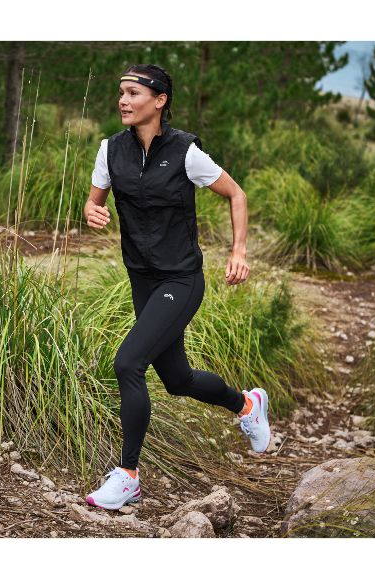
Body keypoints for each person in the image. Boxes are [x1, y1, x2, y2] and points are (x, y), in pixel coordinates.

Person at [83, 64, 271, 511]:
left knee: (128, 362)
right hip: (142, 277)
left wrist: (239, 251)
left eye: (133, 93)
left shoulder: (186, 152)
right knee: (177, 379)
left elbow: (237, 194)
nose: (123, 100)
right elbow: (94, 201)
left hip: (181, 279)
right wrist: (92, 212)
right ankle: (247, 405)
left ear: (160, 100)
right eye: (121, 93)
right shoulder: (111, 150)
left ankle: (128, 476)